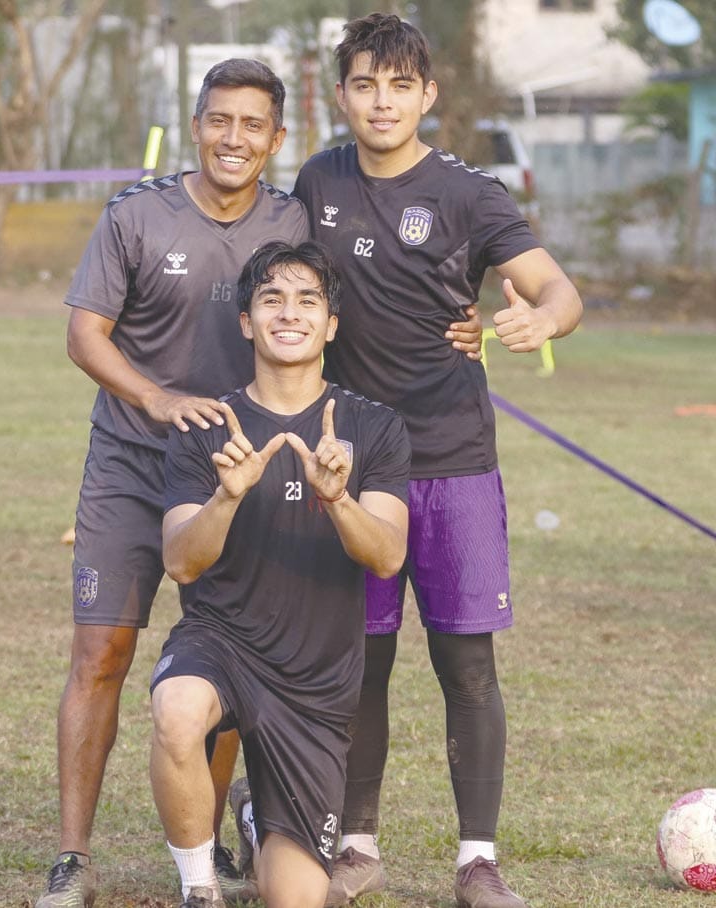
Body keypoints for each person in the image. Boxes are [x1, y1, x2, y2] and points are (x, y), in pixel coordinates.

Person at [291, 13, 584, 908]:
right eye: (365, 84)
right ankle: (355, 846)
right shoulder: (318, 179)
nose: (382, 102)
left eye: (400, 86)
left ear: (429, 95)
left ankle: (478, 863)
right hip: (355, 461)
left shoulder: (469, 194)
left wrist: (538, 321)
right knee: (359, 663)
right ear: (341, 94)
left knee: (466, 667)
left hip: (454, 457)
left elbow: (558, 288)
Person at [34, 59, 311, 908]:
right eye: (219, 120)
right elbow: (86, 335)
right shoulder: (137, 213)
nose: (235, 138)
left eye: (253, 124)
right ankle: (74, 858)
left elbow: (322, 311)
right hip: (128, 462)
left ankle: (216, 840)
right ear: (195, 124)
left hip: (230, 470)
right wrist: (155, 397)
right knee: (102, 653)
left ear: (276, 137)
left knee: (219, 655)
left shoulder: (290, 220)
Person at [150, 240, 411, 908]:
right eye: (271, 300)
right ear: (246, 321)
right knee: (177, 711)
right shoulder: (207, 426)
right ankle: (200, 886)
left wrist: (338, 500)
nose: (288, 314)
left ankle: (257, 822)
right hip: (224, 643)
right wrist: (227, 496)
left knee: (294, 899)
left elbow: (386, 556)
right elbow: (181, 560)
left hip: (315, 683)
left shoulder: (374, 427)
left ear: (331, 324)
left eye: (307, 301)